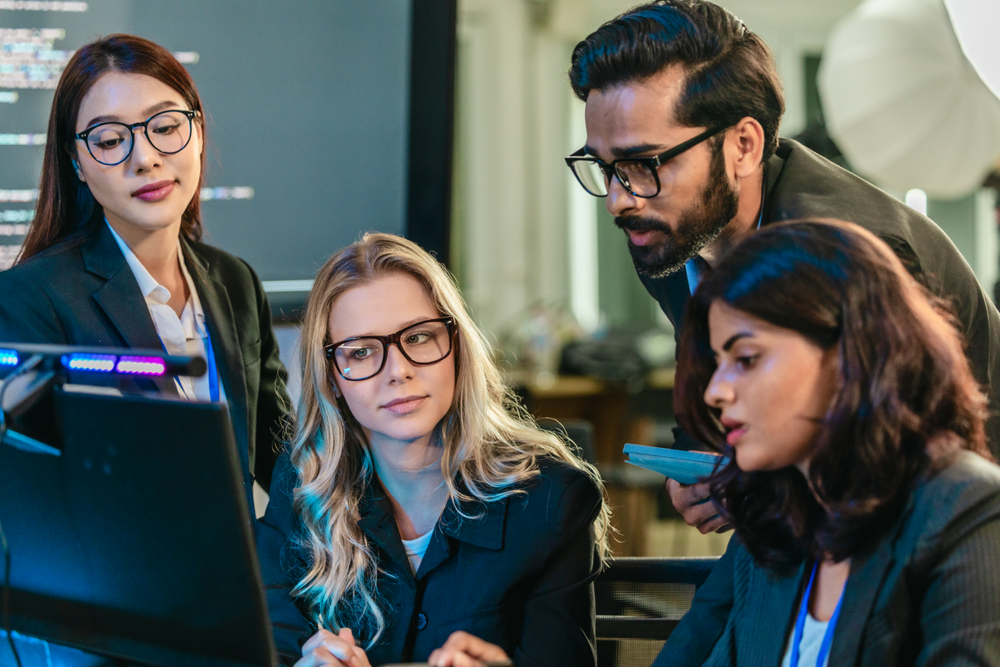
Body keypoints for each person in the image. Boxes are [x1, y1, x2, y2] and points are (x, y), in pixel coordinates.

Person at [565, 4, 1000, 663]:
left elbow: (898, 448)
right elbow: (709, 368)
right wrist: (701, 459)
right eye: (605, 169)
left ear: (743, 144)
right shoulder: (670, 229)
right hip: (814, 493)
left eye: (644, 163)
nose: (623, 198)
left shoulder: (853, 255)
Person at [256, 233, 611, 667]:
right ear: (332, 376)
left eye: (419, 337)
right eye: (363, 351)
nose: (398, 371)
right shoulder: (301, 488)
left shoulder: (551, 501)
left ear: (456, 345)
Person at [669, 219, 1000, 664]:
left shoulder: (967, 510)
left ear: (851, 354)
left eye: (746, 359)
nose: (715, 390)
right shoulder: (775, 513)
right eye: (718, 361)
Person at [0, 35, 290, 509]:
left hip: (241, 578)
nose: (146, 158)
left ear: (196, 133)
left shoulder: (236, 282)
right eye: (111, 140)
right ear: (76, 163)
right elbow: (37, 503)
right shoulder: (28, 300)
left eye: (166, 126)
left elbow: (284, 467)